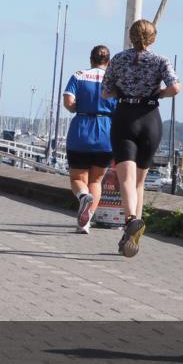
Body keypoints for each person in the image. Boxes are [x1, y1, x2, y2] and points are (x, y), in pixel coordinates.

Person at [101, 20, 181, 258]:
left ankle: (131, 220)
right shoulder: (160, 61)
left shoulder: (118, 59)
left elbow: (106, 93)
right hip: (150, 119)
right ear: (153, 38)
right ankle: (133, 233)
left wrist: (121, 91)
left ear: (130, 36)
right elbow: (176, 88)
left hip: (125, 117)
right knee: (139, 182)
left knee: (125, 178)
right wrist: (161, 93)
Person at [62, 45, 116, 234]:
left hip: (81, 130)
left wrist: (81, 107)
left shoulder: (78, 75)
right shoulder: (113, 80)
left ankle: (83, 196)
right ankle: (85, 223)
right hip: (106, 133)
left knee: (78, 178)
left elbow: (68, 102)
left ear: (91, 59)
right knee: (97, 180)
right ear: (108, 62)